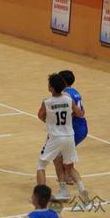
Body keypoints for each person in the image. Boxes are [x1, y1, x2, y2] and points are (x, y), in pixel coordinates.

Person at [36, 73, 89, 204]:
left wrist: (49, 121)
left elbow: (40, 116)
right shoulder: (69, 100)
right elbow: (80, 113)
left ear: (51, 88)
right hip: (69, 136)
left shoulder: (47, 102)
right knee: (69, 167)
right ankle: (82, 188)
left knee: (41, 165)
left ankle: (42, 197)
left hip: (55, 137)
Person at [53, 70, 88, 190]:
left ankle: (67, 178)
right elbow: (82, 111)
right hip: (82, 126)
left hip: (75, 128)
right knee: (64, 152)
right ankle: (68, 176)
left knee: (60, 154)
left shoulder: (66, 95)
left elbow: (77, 113)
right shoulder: (75, 92)